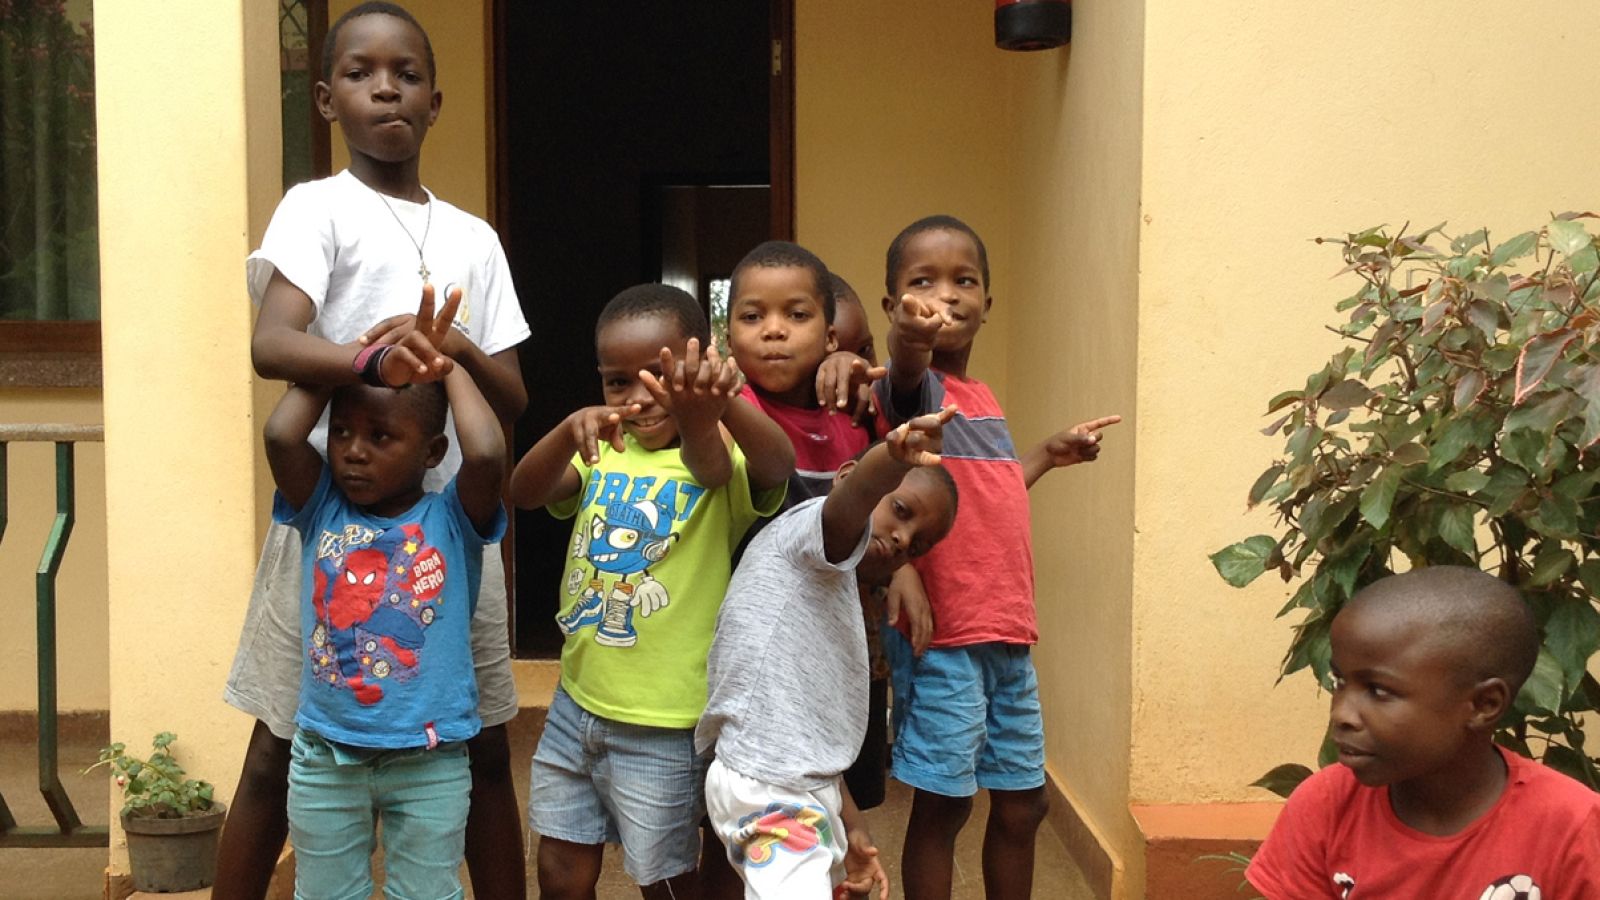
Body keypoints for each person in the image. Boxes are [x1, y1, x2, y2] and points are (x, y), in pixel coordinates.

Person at [217, 4, 531, 897]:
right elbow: (273, 343)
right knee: (280, 746)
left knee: (479, 749)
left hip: (449, 536)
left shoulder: (476, 239)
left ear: (436, 102)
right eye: (360, 73)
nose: (385, 86)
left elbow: (510, 397)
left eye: (406, 73)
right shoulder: (317, 208)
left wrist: (457, 348)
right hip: (331, 524)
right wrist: (373, 357)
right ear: (326, 98)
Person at [510, 284, 793, 900]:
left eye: (657, 376)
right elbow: (525, 491)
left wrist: (720, 401)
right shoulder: (603, 451)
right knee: (559, 866)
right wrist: (566, 429)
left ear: (698, 363)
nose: (637, 399)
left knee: (661, 879)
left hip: (664, 723)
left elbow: (776, 465)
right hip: (575, 706)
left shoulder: (720, 460)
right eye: (617, 383)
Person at [873, 214, 1122, 900]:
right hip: (944, 636)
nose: (946, 296)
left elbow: (985, 496)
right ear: (894, 308)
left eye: (964, 281)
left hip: (1007, 633)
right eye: (922, 283)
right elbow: (881, 495)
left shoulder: (980, 397)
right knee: (945, 803)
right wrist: (901, 570)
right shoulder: (908, 390)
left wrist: (1044, 454)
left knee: (1024, 802)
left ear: (988, 302)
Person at [262, 297, 506, 899]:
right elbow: (279, 432)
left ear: (431, 453)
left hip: (430, 761)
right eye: (341, 432)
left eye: (380, 436)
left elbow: (487, 453)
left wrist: (448, 365)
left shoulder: (452, 518)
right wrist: (360, 363)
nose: (352, 450)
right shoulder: (322, 504)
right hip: (325, 759)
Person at [1246, 567, 1600, 899]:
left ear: (1483, 704)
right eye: (1339, 682)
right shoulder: (1325, 806)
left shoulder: (1572, 827)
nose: (1341, 714)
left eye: (1378, 690)